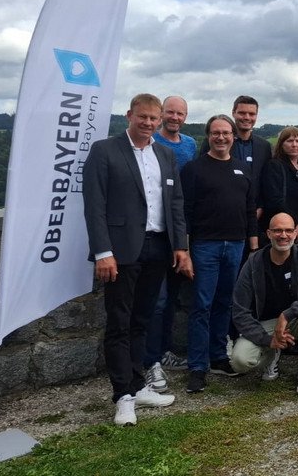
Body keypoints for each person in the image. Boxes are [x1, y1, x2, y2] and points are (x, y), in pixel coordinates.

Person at [83, 93, 192, 426]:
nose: (148, 123)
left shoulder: (165, 154)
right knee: (119, 322)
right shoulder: (105, 151)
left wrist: (180, 245)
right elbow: (94, 205)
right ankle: (123, 396)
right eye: (142, 117)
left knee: (142, 319)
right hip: (120, 250)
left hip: (158, 247)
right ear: (129, 115)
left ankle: (137, 384)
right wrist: (103, 252)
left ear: (159, 120)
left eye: (153, 118)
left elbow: (175, 203)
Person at [181, 115, 258, 394]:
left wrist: (253, 245)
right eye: (216, 133)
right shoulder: (194, 169)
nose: (221, 137)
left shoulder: (242, 169)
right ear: (208, 136)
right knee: (202, 305)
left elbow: (249, 209)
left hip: (236, 245)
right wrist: (184, 250)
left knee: (225, 303)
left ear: (233, 137)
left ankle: (217, 357)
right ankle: (197, 366)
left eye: (226, 133)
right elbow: (185, 212)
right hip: (205, 246)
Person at [230, 213, 298, 398]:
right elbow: (239, 310)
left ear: (295, 234)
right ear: (268, 233)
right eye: (277, 230)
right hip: (265, 324)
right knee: (239, 361)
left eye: (288, 230)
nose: (283, 235)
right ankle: (272, 352)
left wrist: (287, 315)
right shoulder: (254, 263)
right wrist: (267, 340)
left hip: (294, 320)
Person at [144, 95, 197, 392]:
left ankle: (163, 351)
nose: (175, 118)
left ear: (186, 117)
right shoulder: (151, 142)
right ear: (162, 114)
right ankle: (150, 359)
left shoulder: (189, 144)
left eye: (180, 114)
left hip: (181, 229)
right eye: (170, 113)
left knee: (172, 298)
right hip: (155, 230)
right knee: (157, 299)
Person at [201, 95, 272, 222]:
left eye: (252, 114)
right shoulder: (215, 142)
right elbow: (204, 175)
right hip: (220, 215)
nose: (247, 117)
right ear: (233, 113)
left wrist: (260, 207)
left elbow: (265, 180)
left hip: (257, 216)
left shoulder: (264, 146)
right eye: (242, 113)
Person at [262, 127, 298, 249]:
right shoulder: (274, 166)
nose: (294, 144)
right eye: (289, 141)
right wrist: (294, 224)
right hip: (287, 228)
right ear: (281, 144)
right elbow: (274, 200)